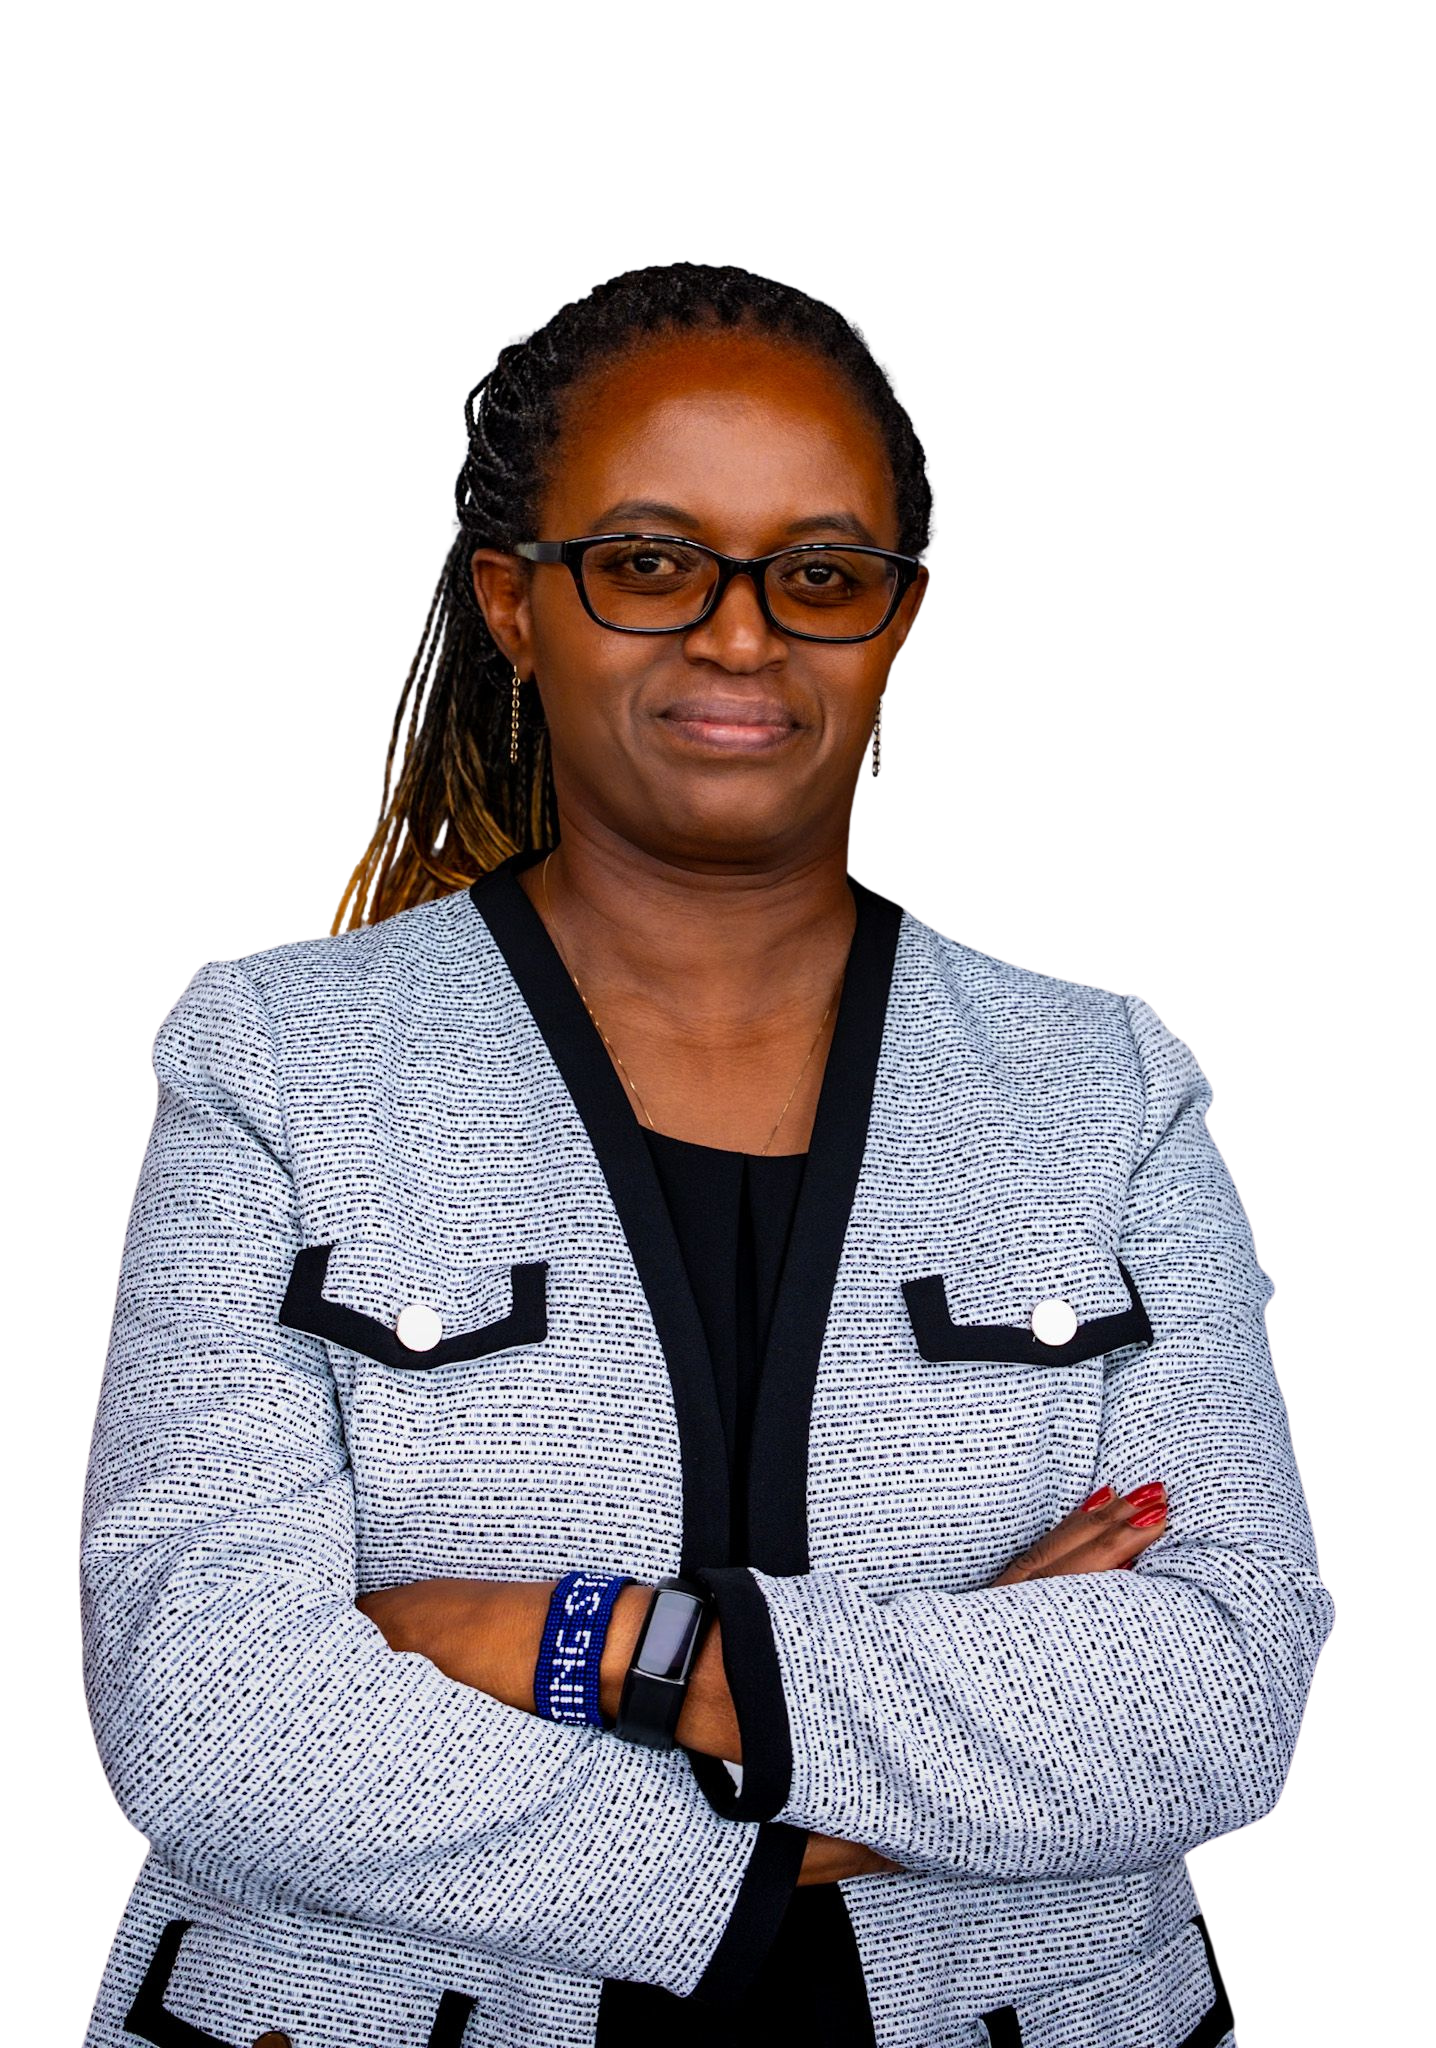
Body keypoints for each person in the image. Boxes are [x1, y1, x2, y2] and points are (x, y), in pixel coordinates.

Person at [80, 261, 1331, 2048]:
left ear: (898, 626)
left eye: (818, 577)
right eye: (652, 563)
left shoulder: (1110, 1084)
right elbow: (210, 1713)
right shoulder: (272, 1056)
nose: (741, 637)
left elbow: (1217, 1689)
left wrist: (597, 1651)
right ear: (516, 603)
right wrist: (816, 1832)